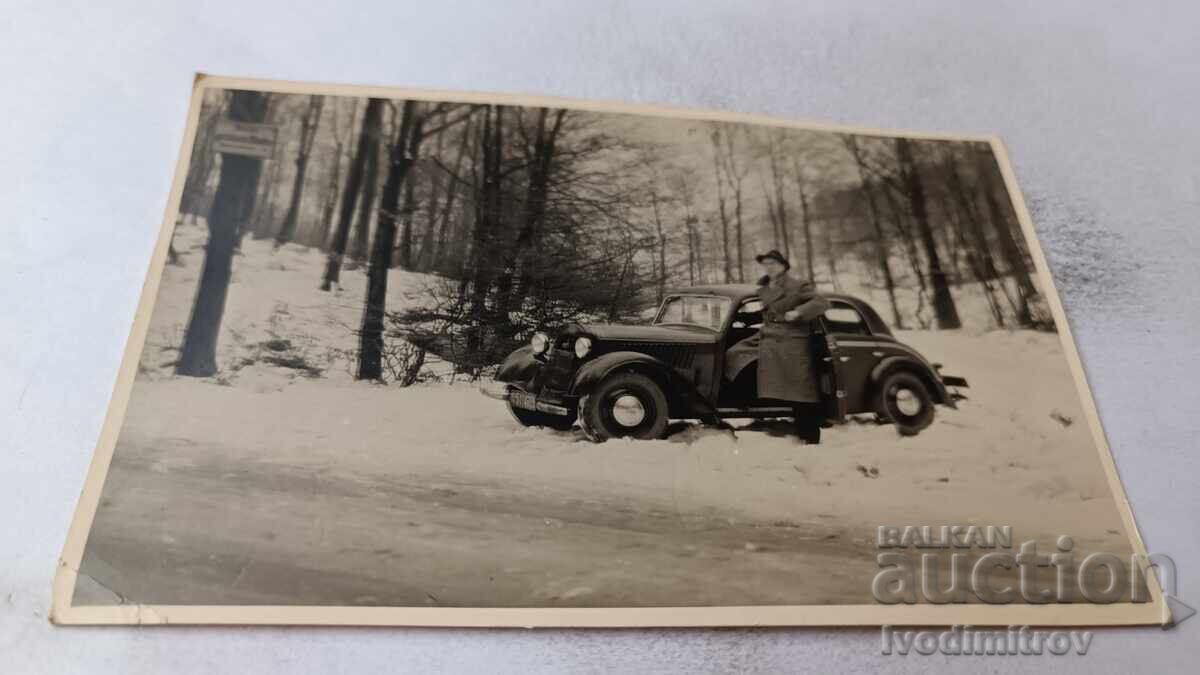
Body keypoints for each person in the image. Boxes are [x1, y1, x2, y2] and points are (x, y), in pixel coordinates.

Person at [725, 250, 830, 443]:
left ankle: (809, 435)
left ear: (783, 266)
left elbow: (821, 303)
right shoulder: (766, 287)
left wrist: (799, 312)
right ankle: (744, 401)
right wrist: (743, 318)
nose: (769, 267)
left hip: (791, 342)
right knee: (735, 354)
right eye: (766, 264)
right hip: (768, 337)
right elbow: (769, 313)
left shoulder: (797, 285)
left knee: (800, 390)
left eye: (773, 263)